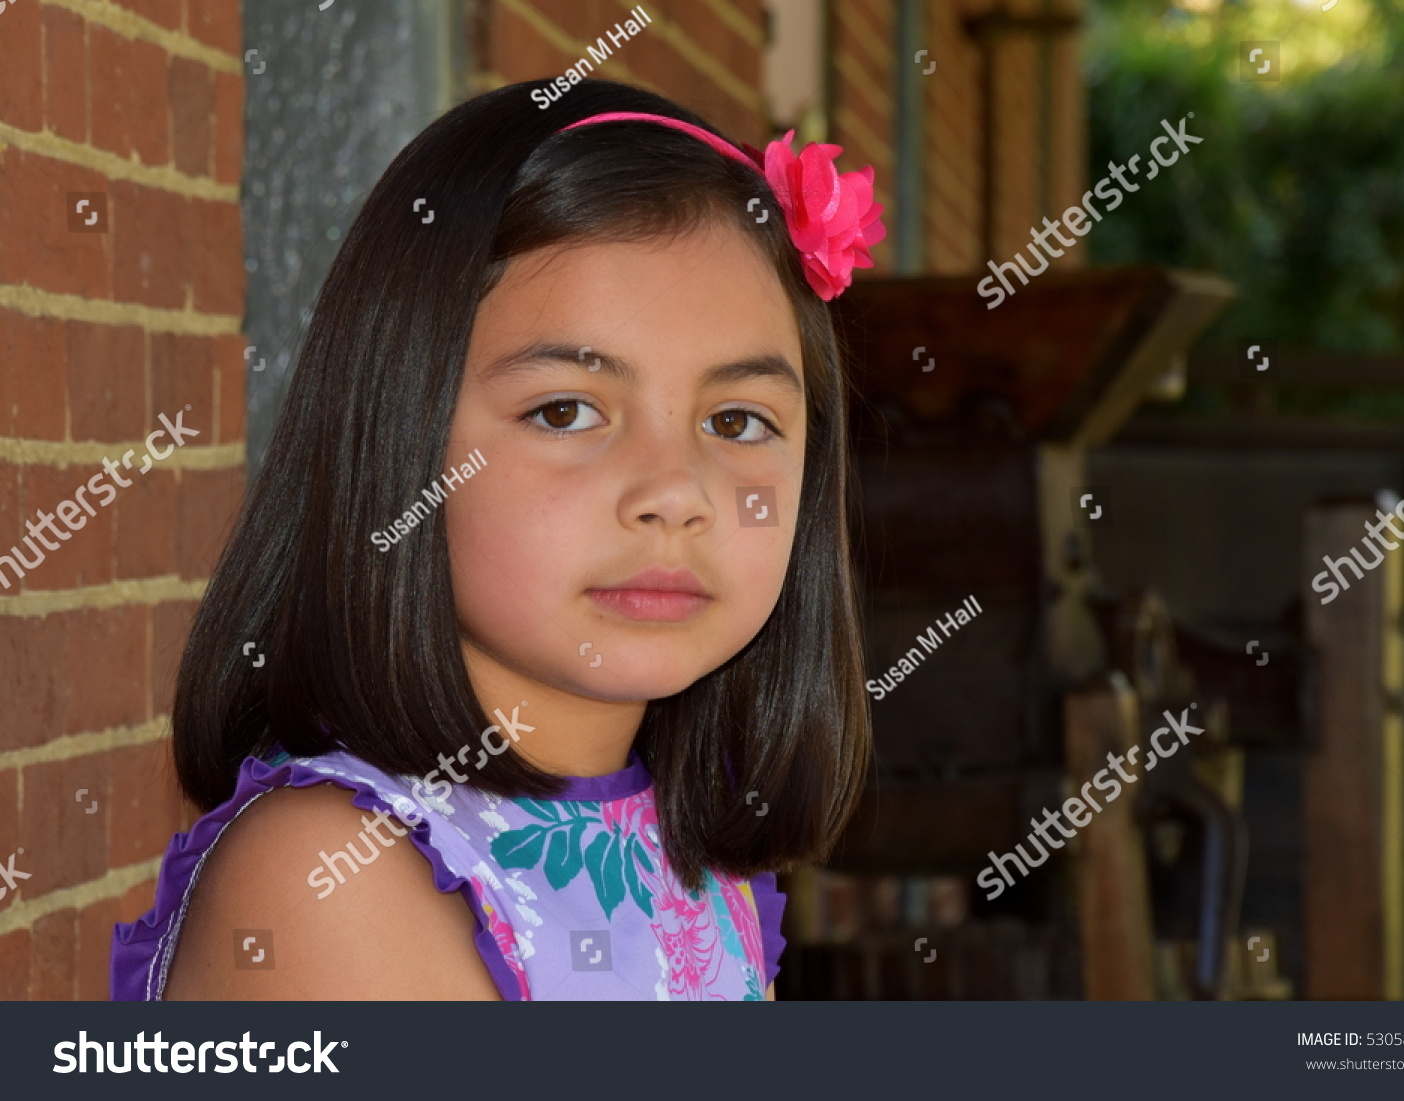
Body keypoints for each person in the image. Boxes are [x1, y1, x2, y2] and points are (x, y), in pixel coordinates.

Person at [110, 78, 881, 1001]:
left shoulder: (692, 858)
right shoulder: (332, 879)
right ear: (397, 430)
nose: (676, 493)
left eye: (740, 420)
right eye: (565, 411)